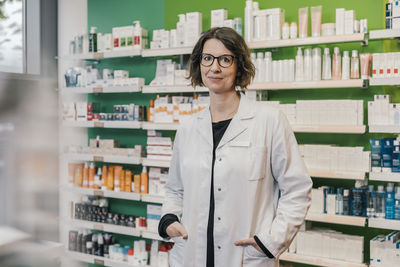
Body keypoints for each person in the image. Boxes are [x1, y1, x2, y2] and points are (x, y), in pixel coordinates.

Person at [158, 27, 312, 267]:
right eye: (207, 58)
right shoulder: (187, 128)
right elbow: (175, 189)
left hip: (246, 256)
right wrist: (168, 220)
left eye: (225, 59)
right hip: (191, 255)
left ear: (239, 65)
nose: (215, 67)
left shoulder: (269, 121)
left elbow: (297, 190)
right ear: (199, 64)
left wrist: (271, 241)